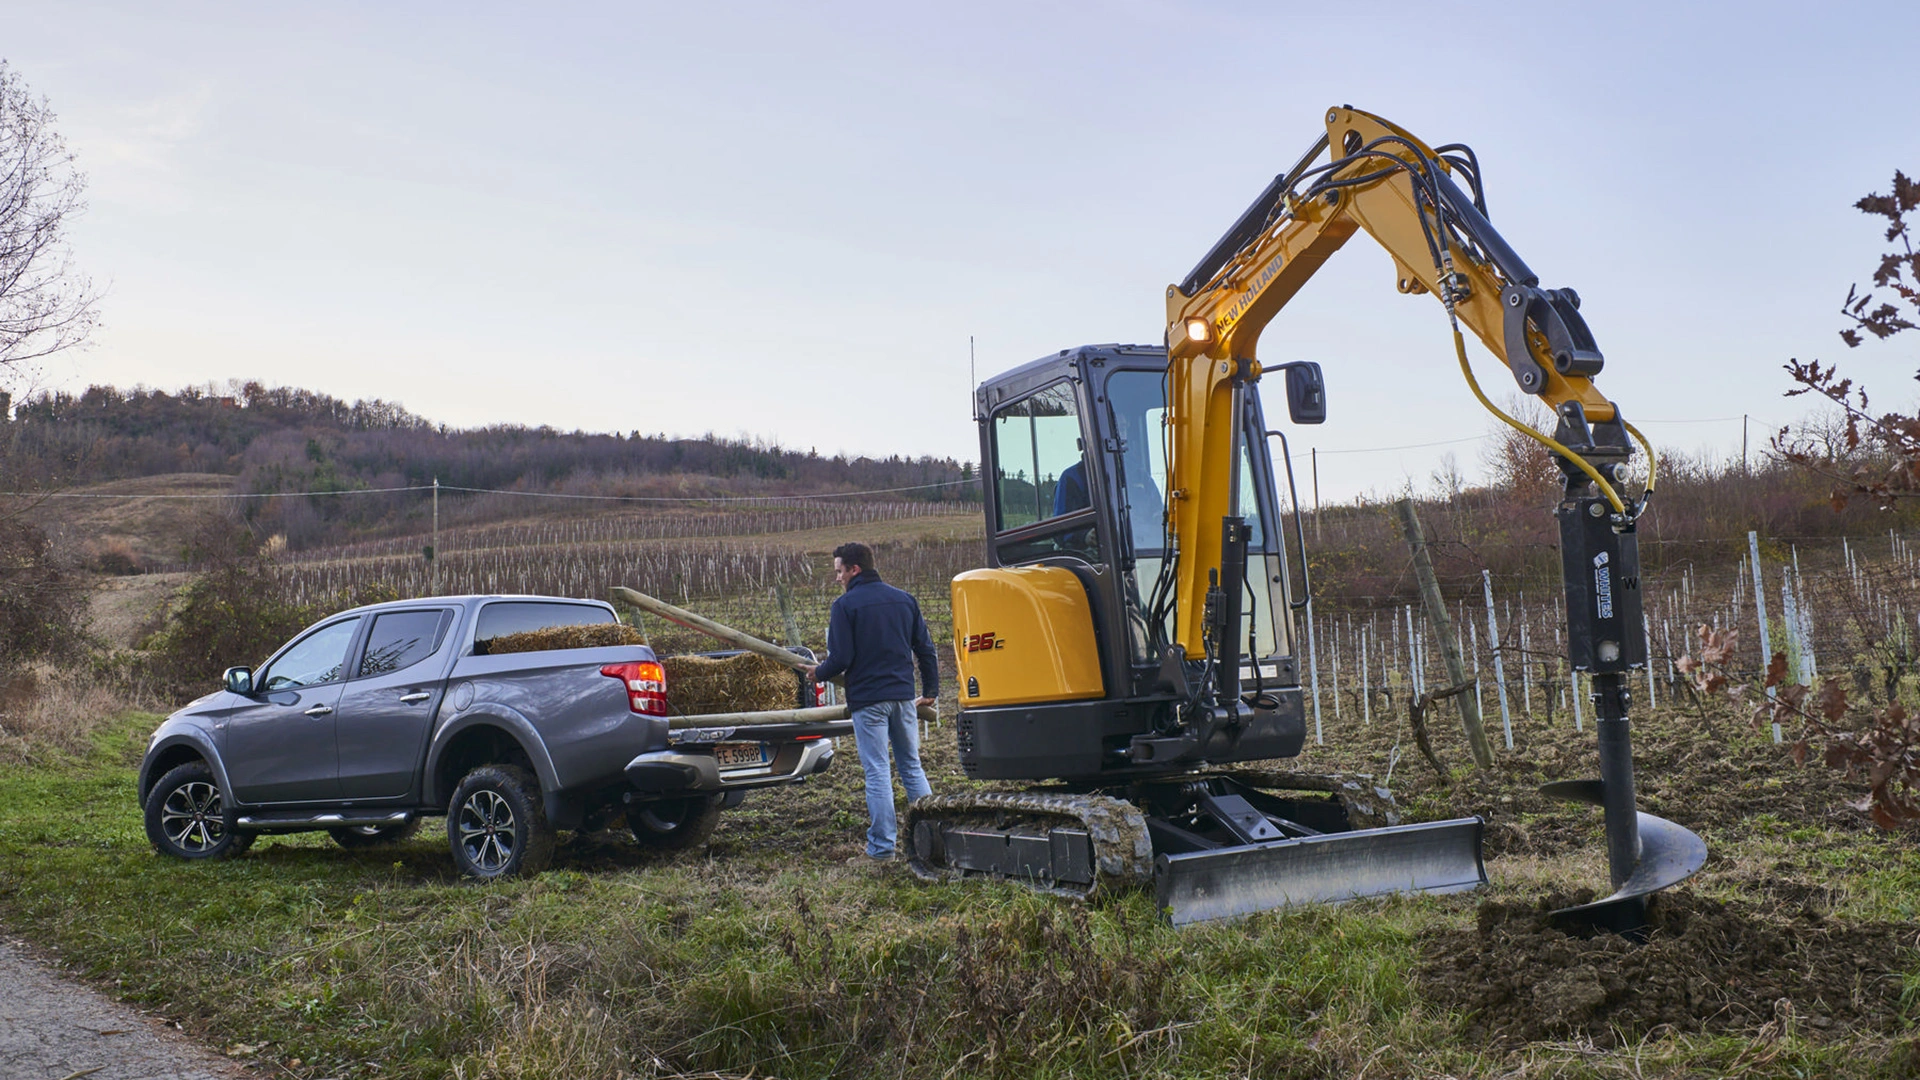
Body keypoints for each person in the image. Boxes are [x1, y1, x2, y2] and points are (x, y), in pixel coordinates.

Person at [802, 542, 937, 864]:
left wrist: (817, 673)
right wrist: (930, 690)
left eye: (838, 571)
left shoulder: (845, 606)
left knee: (877, 772)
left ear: (854, 569)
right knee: (911, 766)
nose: (837, 578)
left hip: (869, 701)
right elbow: (926, 649)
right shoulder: (905, 600)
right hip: (903, 698)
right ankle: (934, 840)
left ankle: (880, 851)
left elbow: (842, 658)